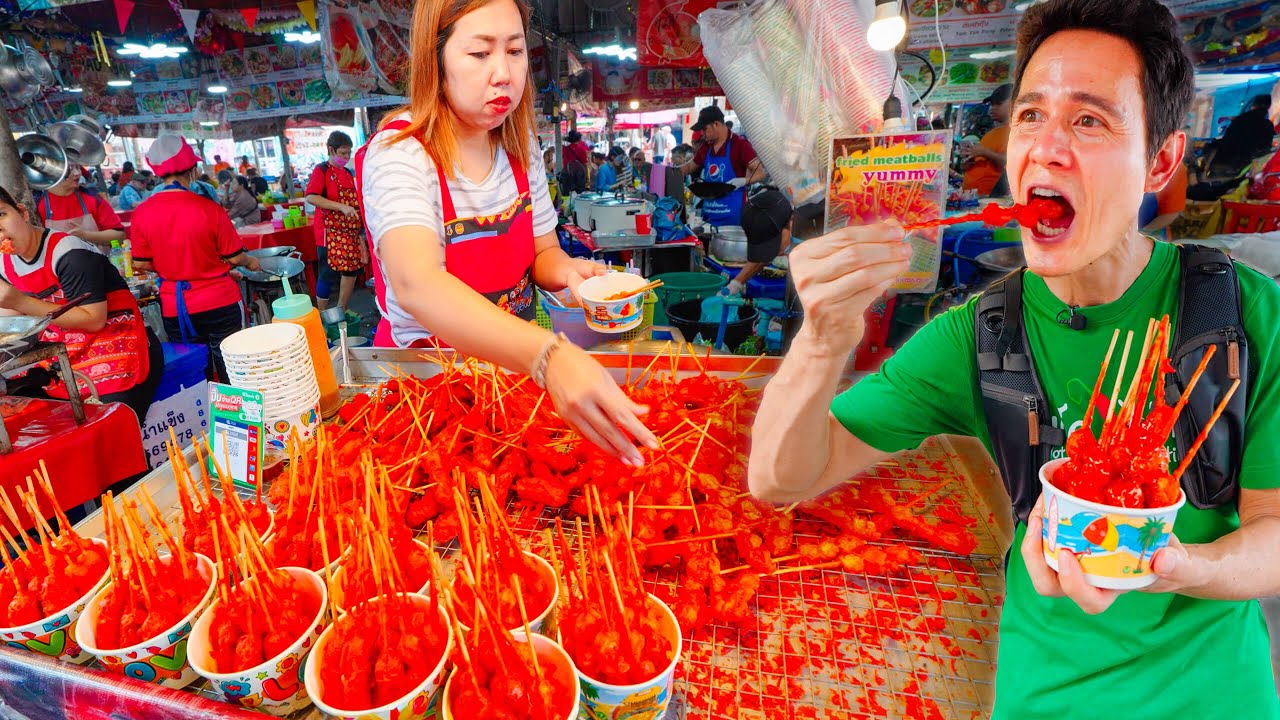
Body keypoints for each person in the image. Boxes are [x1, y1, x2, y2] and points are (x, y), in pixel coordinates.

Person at [748, 1, 1280, 718]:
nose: (1046, 147)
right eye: (1031, 116)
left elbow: (1272, 530)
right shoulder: (980, 334)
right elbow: (782, 479)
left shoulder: (1245, 314)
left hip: (1217, 699)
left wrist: (1178, 568)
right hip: (1041, 697)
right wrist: (820, 339)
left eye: (1088, 120)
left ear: (1160, 160)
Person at [357, 0, 657, 466]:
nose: (504, 74)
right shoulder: (400, 153)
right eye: (480, 54)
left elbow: (543, 251)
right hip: (427, 387)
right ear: (434, 60)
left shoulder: (520, 145)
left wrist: (572, 274)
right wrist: (548, 357)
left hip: (509, 374)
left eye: (515, 52)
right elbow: (417, 284)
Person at [0, 184, 162, 424]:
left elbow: (93, 319)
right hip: (64, 352)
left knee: (110, 431)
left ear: (22, 213)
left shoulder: (69, 253)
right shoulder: (4, 264)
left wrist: (20, 301)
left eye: (2, 215)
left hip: (117, 346)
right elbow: (10, 319)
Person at [130, 133, 260, 382]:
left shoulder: (143, 213)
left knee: (193, 372)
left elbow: (141, 263)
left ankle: (201, 416)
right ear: (192, 169)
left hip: (175, 306)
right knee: (231, 367)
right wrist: (251, 262)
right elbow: (234, 257)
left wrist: (176, 268)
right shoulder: (208, 208)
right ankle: (238, 419)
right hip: (220, 301)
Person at [305, 130, 366, 311]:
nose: (346, 157)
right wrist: (341, 207)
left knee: (351, 271)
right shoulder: (321, 170)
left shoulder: (347, 173)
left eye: (349, 153)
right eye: (342, 153)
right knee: (328, 274)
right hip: (328, 233)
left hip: (349, 233)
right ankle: (323, 316)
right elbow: (311, 197)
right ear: (331, 150)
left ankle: (341, 309)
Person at [679, 105, 765, 227]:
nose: (702, 134)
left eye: (704, 129)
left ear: (716, 124)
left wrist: (744, 181)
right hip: (708, 218)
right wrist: (670, 172)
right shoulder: (706, 147)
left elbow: (760, 173)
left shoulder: (739, 145)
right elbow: (690, 167)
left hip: (732, 219)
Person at [35, 164, 125, 250]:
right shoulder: (37, 204)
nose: (77, 173)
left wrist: (86, 236)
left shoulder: (93, 199)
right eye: (70, 169)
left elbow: (120, 235)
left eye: (78, 167)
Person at [725, 186, 794, 295]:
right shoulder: (782, 219)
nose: (773, 252)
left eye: (773, 243)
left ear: (790, 222)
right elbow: (762, 256)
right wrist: (735, 285)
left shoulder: (816, 230)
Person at [1204, 95, 1276, 179]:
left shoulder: (1239, 120)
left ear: (1253, 106)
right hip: (1241, 169)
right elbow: (1264, 149)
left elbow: (1227, 140)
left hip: (1222, 162)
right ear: (1268, 108)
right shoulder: (1267, 125)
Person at [960, 83, 1012, 196]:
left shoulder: (1018, 133)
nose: (992, 108)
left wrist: (984, 152)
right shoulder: (991, 134)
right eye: (992, 104)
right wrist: (968, 164)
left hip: (992, 199)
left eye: (998, 104)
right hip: (972, 198)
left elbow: (1012, 165)